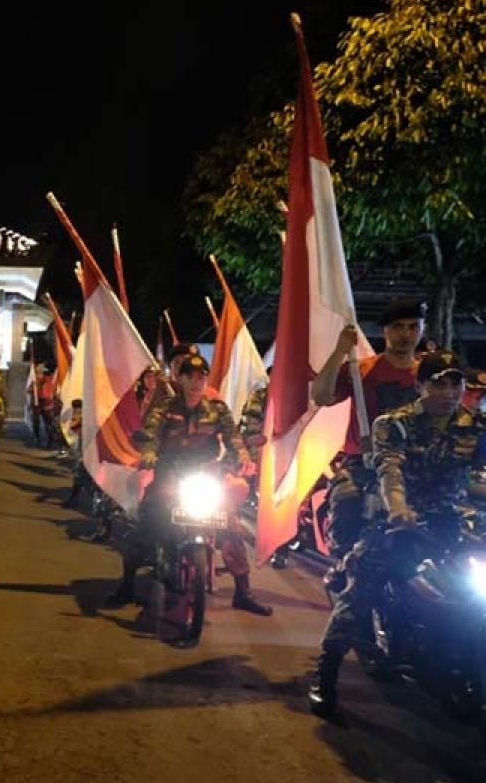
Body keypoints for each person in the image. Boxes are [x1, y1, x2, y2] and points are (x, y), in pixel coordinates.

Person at [309, 351, 486, 718]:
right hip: (401, 520)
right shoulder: (395, 424)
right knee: (360, 590)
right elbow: (390, 469)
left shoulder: (476, 425)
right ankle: (325, 675)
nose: (448, 392)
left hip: (452, 520)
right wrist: (398, 509)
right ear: (420, 386)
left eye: (456, 383)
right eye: (439, 383)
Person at [105, 354, 272, 616]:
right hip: (170, 474)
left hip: (205, 475)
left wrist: (243, 458)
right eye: (190, 377)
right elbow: (149, 434)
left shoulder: (217, 409)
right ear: (180, 379)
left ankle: (243, 591)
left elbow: (234, 438)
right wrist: (148, 454)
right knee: (147, 520)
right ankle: (127, 584)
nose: (196, 383)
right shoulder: (165, 407)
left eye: (201, 378)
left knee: (230, 525)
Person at [312, 298, 424, 563]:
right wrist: (340, 351)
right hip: (364, 465)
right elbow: (321, 396)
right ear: (385, 331)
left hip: (417, 465)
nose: (406, 334)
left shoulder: (430, 376)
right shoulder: (361, 370)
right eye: (398, 327)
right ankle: (344, 569)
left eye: (413, 326)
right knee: (345, 502)